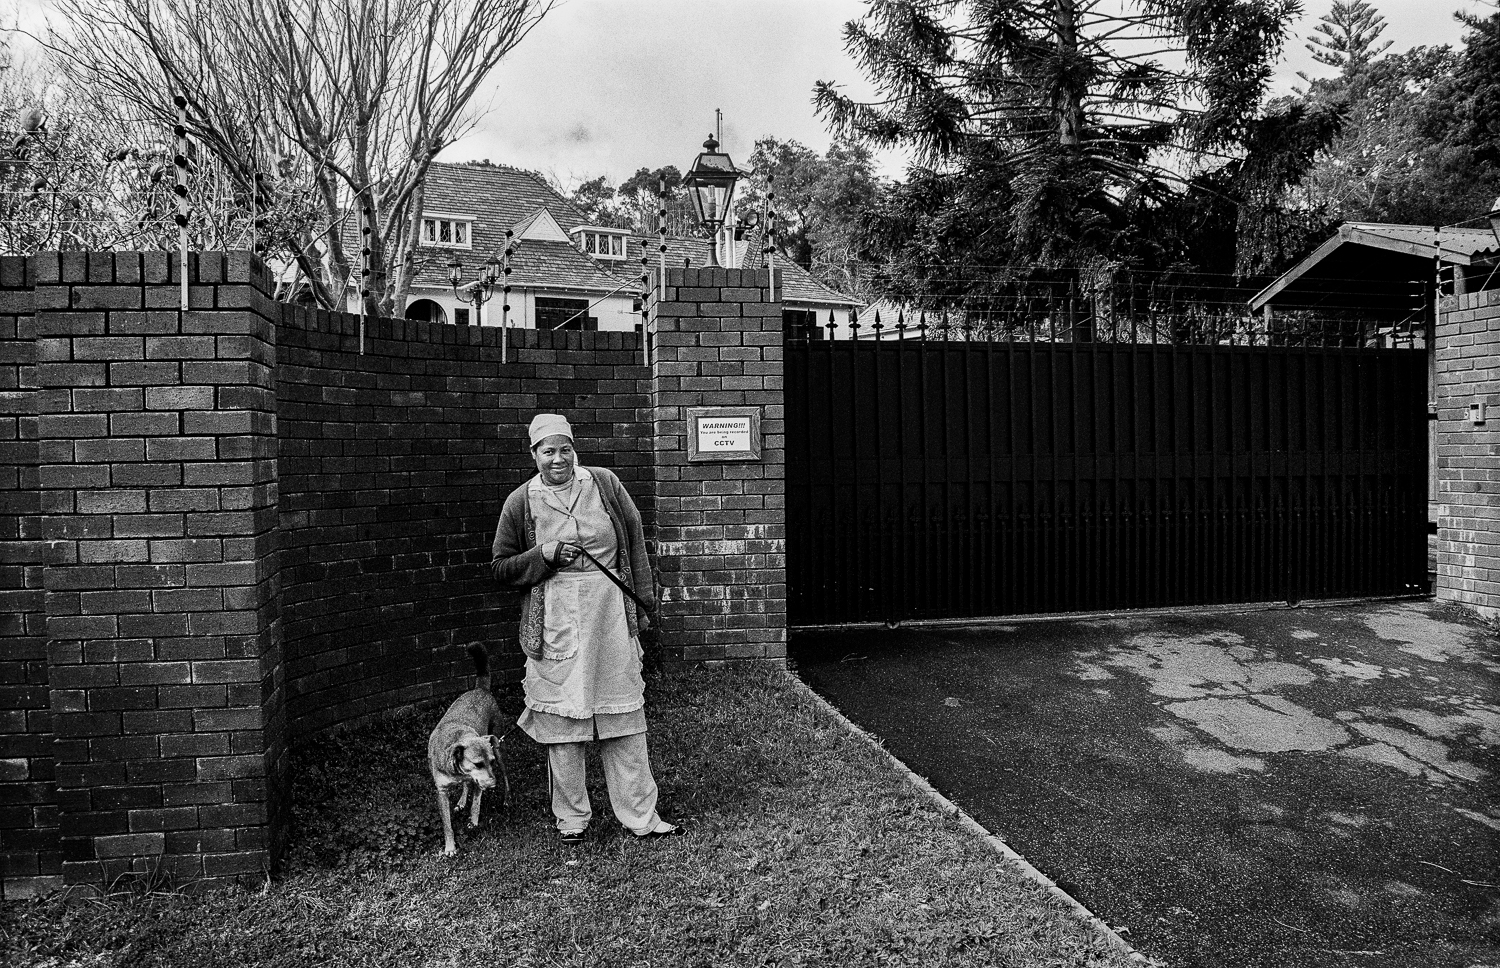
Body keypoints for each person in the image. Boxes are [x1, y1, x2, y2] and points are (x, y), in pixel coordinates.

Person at [490, 413, 682, 844]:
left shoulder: (605, 484)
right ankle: (572, 818)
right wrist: (544, 554)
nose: (558, 459)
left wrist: (644, 604)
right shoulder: (521, 502)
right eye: (548, 451)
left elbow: (633, 543)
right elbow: (502, 567)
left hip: (610, 612)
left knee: (625, 719)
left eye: (565, 449)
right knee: (562, 724)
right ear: (533, 453)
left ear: (574, 449)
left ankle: (641, 816)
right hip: (556, 617)